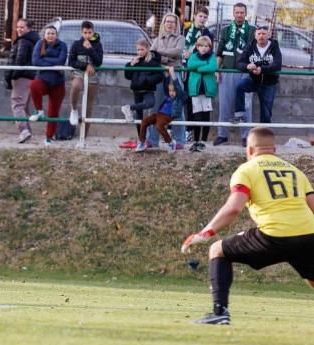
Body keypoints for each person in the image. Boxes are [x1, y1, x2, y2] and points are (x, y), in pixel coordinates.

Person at [181, 127, 314, 325]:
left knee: (217, 250)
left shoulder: (247, 169)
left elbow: (234, 208)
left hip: (274, 235)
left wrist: (206, 232)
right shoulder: (295, 172)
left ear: (249, 149)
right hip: (309, 233)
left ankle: (219, 313)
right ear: (274, 149)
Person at [215, 3, 255, 147]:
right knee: (224, 105)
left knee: (246, 106)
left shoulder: (252, 30)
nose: (239, 15)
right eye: (237, 12)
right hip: (227, 71)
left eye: (241, 12)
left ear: (246, 14)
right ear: (233, 13)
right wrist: (217, 69)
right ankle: (222, 135)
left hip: (245, 73)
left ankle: (246, 136)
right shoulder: (226, 30)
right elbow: (219, 53)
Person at [148, 13, 186, 150]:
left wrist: (161, 54)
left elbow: (178, 52)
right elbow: (152, 56)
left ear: (176, 24)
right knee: (155, 106)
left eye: (172, 22)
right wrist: (166, 58)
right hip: (159, 74)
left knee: (177, 106)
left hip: (174, 73)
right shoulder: (157, 39)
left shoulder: (180, 38)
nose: (169, 24)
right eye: (167, 21)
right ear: (163, 23)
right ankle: (152, 140)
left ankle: (179, 140)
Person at [234, 25, 282, 125]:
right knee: (240, 86)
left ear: (268, 35)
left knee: (266, 114)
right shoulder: (250, 46)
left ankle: (264, 133)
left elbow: (277, 65)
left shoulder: (274, 47)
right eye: (259, 34)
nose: (261, 36)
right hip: (253, 80)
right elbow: (239, 63)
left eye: (264, 34)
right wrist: (247, 66)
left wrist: (262, 69)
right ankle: (239, 115)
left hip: (269, 84)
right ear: (255, 36)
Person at [28, 25, 67, 147]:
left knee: (53, 112)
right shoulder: (39, 44)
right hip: (43, 79)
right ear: (44, 35)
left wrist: (45, 61)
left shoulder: (62, 45)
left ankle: (49, 137)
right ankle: (39, 110)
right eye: (48, 33)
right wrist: (53, 65)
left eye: (53, 33)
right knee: (34, 86)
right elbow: (35, 61)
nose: (50, 35)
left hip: (58, 83)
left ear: (56, 35)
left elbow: (61, 61)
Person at [120, 39, 164, 148]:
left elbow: (160, 76)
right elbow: (128, 76)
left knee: (150, 103)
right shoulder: (135, 61)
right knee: (138, 114)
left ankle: (129, 108)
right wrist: (131, 65)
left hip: (148, 89)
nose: (139, 52)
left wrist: (148, 80)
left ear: (147, 49)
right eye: (138, 49)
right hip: (136, 89)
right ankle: (141, 140)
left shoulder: (153, 61)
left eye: (142, 49)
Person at [134, 67, 186, 153]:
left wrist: (172, 74)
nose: (171, 93)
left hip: (167, 116)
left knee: (159, 126)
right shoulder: (168, 94)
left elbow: (177, 86)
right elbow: (166, 85)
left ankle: (170, 142)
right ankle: (142, 142)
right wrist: (167, 74)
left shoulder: (179, 97)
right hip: (159, 114)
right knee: (145, 121)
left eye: (173, 91)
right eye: (170, 91)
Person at [5, 18, 40, 144]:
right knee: (24, 106)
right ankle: (27, 132)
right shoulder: (34, 40)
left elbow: (19, 59)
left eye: (22, 27)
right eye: (18, 27)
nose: (19, 29)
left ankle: (23, 130)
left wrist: (12, 75)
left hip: (21, 76)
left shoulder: (23, 41)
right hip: (30, 76)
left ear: (28, 28)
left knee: (17, 105)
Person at [182, 6, 213, 143]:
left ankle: (191, 131)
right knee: (181, 99)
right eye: (200, 16)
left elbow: (208, 55)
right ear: (195, 16)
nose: (202, 19)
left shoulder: (207, 33)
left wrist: (193, 58)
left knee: (193, 102)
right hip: (182, 68)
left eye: (205, 17)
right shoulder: (186, 30)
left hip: (195, 73)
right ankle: (176, 129)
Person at [67, 20, 103, 136]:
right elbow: (71, 61)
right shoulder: (76, 44)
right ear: (81, 32)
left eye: (89, 32)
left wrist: (90, 49)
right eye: (85, 33)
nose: (87, 35)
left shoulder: (98, 45)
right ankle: (74, 110)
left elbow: (98, 62)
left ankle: (84, 134)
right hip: (79, 73)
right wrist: (85, 65)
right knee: (76, 86)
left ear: (93, 32)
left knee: (89, 105)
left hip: (92, 76)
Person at [185, 36, 218, 152]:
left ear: (210, 47)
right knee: (197, 116)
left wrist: (198, 68)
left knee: (206, 116)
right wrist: (204, 64)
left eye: (206, 46)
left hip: (207, 91)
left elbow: (212, 67)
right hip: (195, 90)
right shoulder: (194, 56)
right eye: (201, 46)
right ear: (197, 47)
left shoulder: (212, 56)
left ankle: (203, 141)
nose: (204, 48)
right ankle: (196, 141)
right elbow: (190, 65)